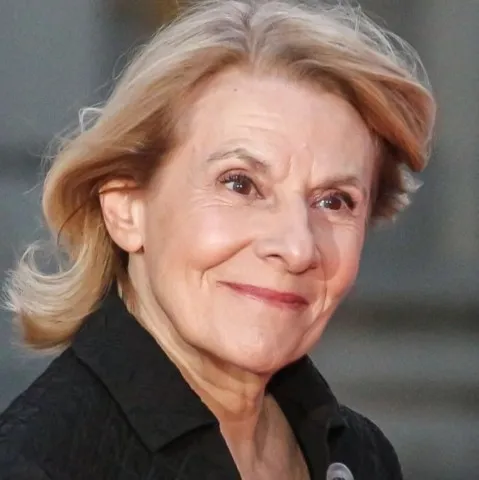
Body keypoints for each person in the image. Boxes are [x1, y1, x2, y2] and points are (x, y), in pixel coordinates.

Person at [0, 0, 435, 479]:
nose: (296, 248)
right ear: (126, 208)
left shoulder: (360, 455)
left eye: (334, 201)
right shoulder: (38, 464)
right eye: (240, 184)